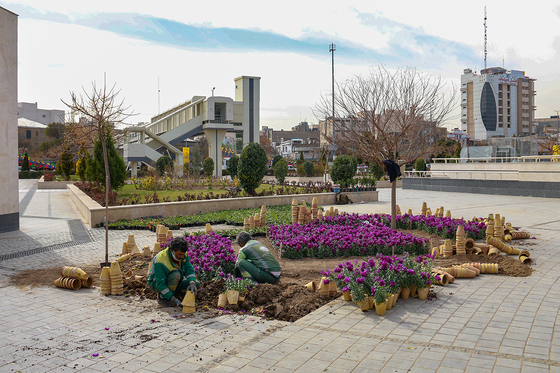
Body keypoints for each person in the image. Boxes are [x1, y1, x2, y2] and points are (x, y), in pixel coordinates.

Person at [148, 236, 199, 307]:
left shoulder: (183, 254)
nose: (182, 257)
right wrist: (173, 299)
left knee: (196, 284)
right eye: (180, 254)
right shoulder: (160, 261)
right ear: (172, 250)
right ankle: (163, 297)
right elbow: (160, 283)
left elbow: (188, 268)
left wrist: (192, 283)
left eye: (183, 254)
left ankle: (173, 292)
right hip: (156, 283)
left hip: (174, 280)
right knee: (176, 275)